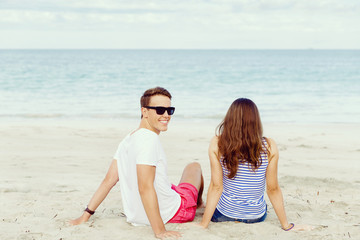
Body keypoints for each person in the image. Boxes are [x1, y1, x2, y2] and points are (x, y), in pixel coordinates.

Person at [70, 87, 204, 239]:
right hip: (174, 212)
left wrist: (85, 215)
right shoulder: (149, 139)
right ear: (144, 112)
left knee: (170, 185)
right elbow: (145, 187)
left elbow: (108, 181)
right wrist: (160, 231)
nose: (166, 115)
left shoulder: (128, 139)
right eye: (160, 110)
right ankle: (197, 203)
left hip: (136, 217)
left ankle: (195, 201)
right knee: (194, 166)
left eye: (170, 110)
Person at [198, 98, 303, 231]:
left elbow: (216, 187)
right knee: (262, 205)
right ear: (256, 121)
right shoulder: (269, 146)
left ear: (230, 119)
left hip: (224, 214)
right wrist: (286, 225)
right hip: (255, 217)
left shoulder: (217, 143)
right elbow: (272, 189)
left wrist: (203, 224)